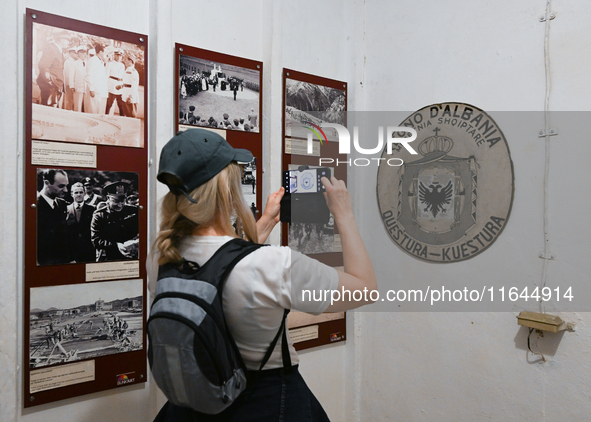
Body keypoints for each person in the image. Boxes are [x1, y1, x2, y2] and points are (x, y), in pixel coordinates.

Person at [150, 129, 377, 421]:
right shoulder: (274, 264)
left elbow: (221, 267)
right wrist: (344, 214)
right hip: (264, 404)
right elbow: (366, 288)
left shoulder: (160, 257)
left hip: (193, 405)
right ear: (227, 191)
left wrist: (267, 221)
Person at [91, 181, 139, 261]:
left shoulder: (133, 211)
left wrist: (136, 242)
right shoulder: (100, 215)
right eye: (116, 201)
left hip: (131, 256)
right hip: (110, 256)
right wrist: (116, 245)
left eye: (122, 201)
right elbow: (95, 240)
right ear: (108, 198)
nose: (120, 205)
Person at [37, 169, 71, 265]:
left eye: (66, 186)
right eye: (61, 186)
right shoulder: (35, 206)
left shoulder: (61, 204)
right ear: (47, 183)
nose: (66, 190)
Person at [36, 29, 70, 107]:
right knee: (48, 112)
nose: (68, 43)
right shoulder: (51, 48)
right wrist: (50, 81)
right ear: (62, 40)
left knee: (52, 111)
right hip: (51, 86)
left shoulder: (58, 50)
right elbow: (43, 65)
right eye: (67, 40)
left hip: (56, 85)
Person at [66, 182, 97, 263]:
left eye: (81, 192)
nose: (79, 195)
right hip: (72, 251)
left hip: (89, 251)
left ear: (84, 193)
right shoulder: (66, 210)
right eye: (76, 192)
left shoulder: (92, 209)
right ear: (72, 194)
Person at [85, 44, 109, 114]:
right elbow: (88, 76)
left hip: (101, 92)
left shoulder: (100, 62)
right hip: (95, 91)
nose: (105, 54)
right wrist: (91, 89)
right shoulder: (92, 60)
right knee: (93, 112)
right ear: (101, 52)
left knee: (100, 113)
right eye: (104, 52)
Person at [105, 48, 126, 116]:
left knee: (121, 105)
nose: (118, 57)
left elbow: (123, 76)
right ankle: (106, 117)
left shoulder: (122, 65)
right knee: (109, 104)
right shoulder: (110, 64)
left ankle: (122, 119)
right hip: (112, 86)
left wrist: (122, 85)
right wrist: (106, 86)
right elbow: (106, 75)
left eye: (120, 56)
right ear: (114, 55)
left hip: (119, 87)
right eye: (117, 55)